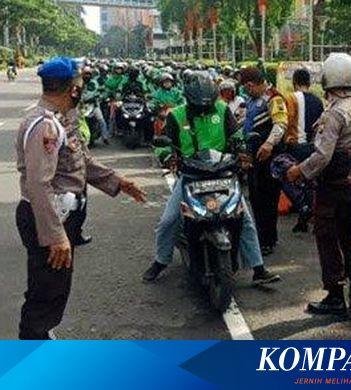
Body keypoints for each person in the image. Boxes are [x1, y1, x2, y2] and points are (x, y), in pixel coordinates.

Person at [16, 57, 147, 339]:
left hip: (61, 215)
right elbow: (39, 184)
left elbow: (80, 161)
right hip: (51, 217)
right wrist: (56, 236)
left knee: (52, 288)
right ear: (72, 90)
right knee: (46, 294)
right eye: (80, 83)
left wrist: (118, 182)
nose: (82, 88)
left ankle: (42, 336)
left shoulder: (63, 119)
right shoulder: (44, 125)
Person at [141, 71, 280, 286]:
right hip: (190, 175)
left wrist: (243, 152)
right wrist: (167, 156)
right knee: (168, 221)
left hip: (223, 174)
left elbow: (236, 136)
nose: (204, 108)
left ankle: (258, 268)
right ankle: (161, 260)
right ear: (189, 99)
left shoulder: (223, 110)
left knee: (246, 221)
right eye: (199, 105)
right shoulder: (176, 115)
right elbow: (164, 143)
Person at [285, 53, 351, 317]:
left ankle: (335, 297)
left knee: (328, 236)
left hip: (335, 182)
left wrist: (299, 171)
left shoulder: (334, 112)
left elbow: (322, 155)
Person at [240, 67, 291, 256]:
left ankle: (267, 240)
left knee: (268, 200)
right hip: (254, 157)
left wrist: (269, 144)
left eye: (248, 87)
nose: (247, 90)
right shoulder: (252, 101)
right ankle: (263, 237)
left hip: (269, 158)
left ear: (252, 84)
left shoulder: (274, 99)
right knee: (256, 198)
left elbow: (281, 124)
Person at [283, 68, 325, 233]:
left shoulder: (291, 98)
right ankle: (306, 218)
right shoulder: (318, 100)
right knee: (309, 183)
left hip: (295, 146)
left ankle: (303, 207)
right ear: (309, 82)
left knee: (284, 177)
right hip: (313, 146)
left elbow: (286, 122)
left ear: (294, 82)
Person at [81, 66, 109, 145]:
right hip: (82, 106)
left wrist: (98, 96)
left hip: (93, 105)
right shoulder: (79, 83)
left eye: (88, 74)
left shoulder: (94, 83)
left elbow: (94, 92)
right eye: (85, 74)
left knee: (101, 120)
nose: (87, 76)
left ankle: (105, 137)